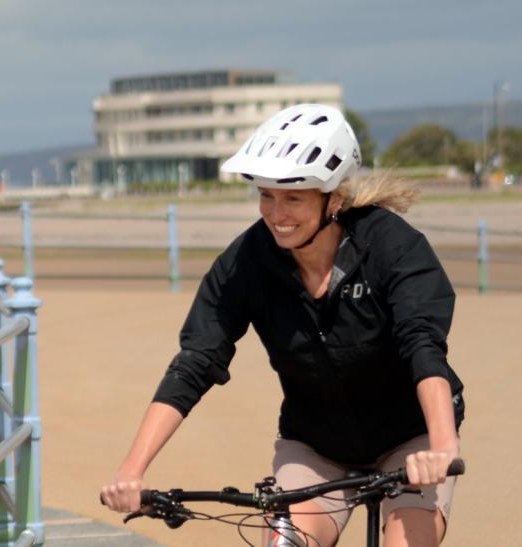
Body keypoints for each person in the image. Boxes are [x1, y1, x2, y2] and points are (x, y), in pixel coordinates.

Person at [98, 104, 465, 547]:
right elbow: (195, 362)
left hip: (411, 439)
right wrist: (131, 472)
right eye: (266, 196)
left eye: (293, 197)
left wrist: (442, 447)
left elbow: (422, 346)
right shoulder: (246, 261)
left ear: (335, 199)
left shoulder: (393, 247)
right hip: (315, 446)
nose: (276, 214)